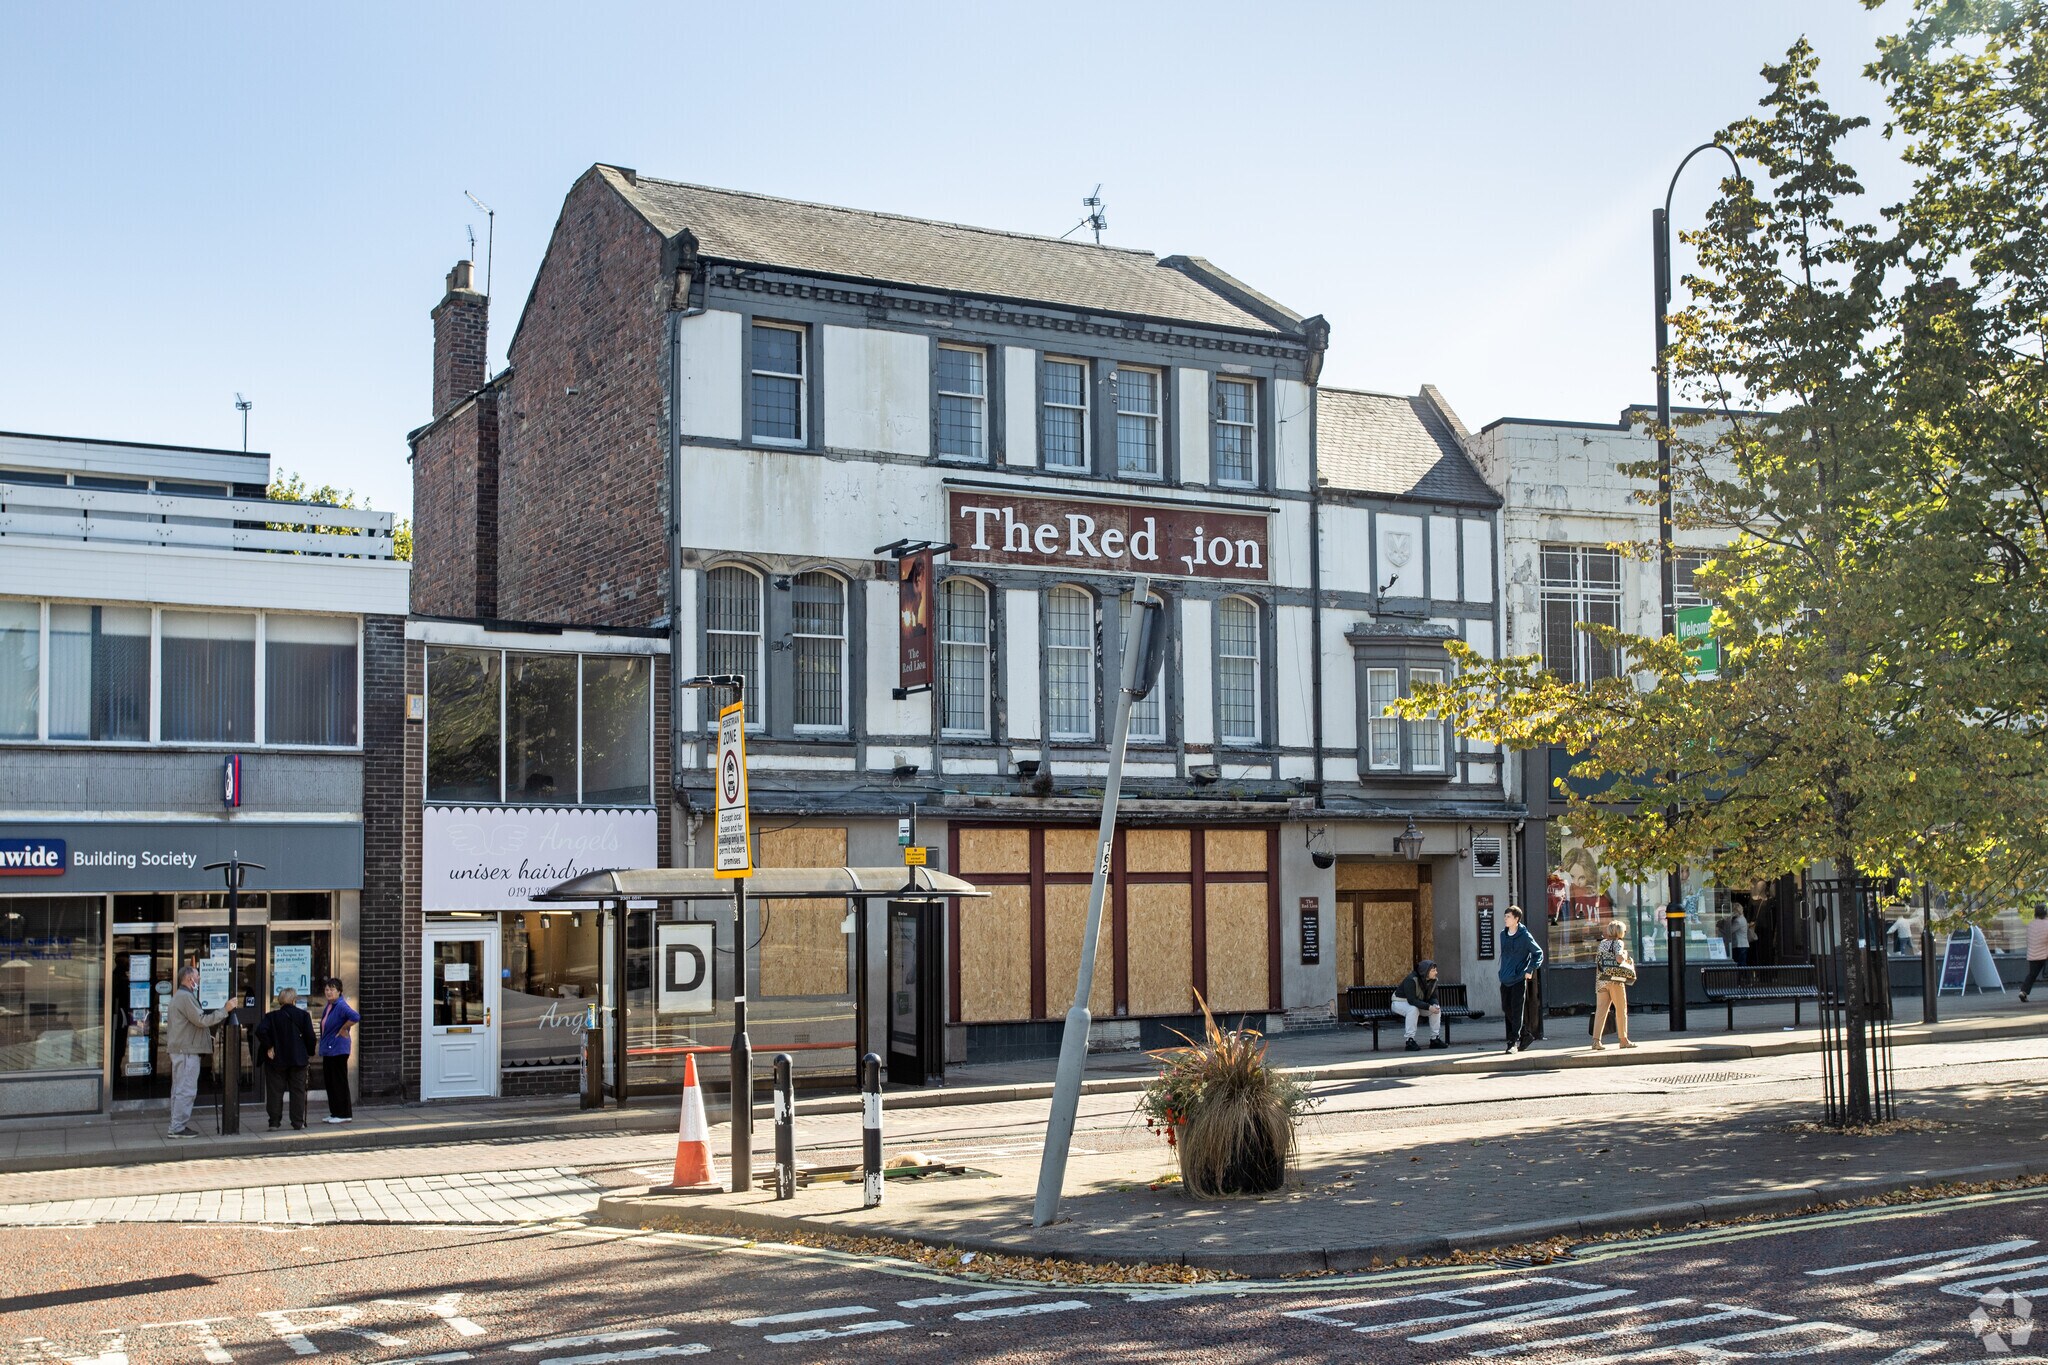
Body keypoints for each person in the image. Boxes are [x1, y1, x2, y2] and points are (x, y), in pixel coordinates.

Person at [165, 965, 230, 1138]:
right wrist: (225, 1010)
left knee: (179, 1089)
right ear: (189, 979)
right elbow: (201, 1020)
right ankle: (177, 1127)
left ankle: (175, 1125)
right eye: (197, 976)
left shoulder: (181, 996)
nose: (199, 979)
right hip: (186, 1050)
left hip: (182, 1049)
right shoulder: (185, 997)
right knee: (186, 1090)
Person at [256, 987, 319, 1131]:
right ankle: (297, 1122)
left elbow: (260, 1031)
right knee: (298, 1091)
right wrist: (308, 1052)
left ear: (280, 1001)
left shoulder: (271, 1016)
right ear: (294, 1000)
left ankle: (274, 1122)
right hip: (298, 1059)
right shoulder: (303, 1016)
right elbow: (310, 1037)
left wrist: (269, 1046)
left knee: (274, 1091)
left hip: (276, 1060)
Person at [1498, 904, 1545, 1054]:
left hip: (1518, 978)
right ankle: (1525, 1035)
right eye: (1505, 916)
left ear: (1516, 919)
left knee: (1517, 1010)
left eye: (1508, 917)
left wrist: (1529, 969)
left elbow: (1538, 953)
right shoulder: (1502, 935)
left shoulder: (1524, 936)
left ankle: (1513, 1043)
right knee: (1506, 1008)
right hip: (1505, 978)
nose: (1505, 919)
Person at [318, 977, 359, 1123]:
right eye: (327, 989)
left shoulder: (340, 1005)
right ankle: (335, 1112)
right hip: (329, 1049)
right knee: (330, 1082)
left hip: (338, 1049)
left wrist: (343, 1028)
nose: (328, 992)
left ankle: (344, 1113)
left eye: (332, 989)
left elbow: (355, 1016)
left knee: (338, 1081)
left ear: (339, 991)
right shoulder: (330, 1005)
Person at [1592, 920, 1638, 1050]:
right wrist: (1624, 954)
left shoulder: (1602, 943)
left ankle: (1596, 1041)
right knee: (1621, 1010)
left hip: (1601, 980)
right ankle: (1623, 1040)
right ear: (1619, 932)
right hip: (1615, 980)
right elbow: (1619, 959)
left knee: (1601, 1011)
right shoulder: (1619, 942)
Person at [1392, 959, 1446, 1051]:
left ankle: (1435, 1039)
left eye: (1435, 970)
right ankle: (1410, 1040)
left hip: (1417, 1003)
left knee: (1436, 1009)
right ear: (1425, 971)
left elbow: (1433, 997)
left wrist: (1435, 1005)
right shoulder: (1411, 979)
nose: (1436, 972)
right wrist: (1429, 1007)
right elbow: (1412, 1000)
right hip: (1399, 1002)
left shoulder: (1433, 981)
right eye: (1433, 970)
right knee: (1412, 1009)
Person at [2021, 906, 2048, 1003]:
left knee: (2032, 975)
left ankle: (2023, 992)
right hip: (2045, 954)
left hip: (2033, 954)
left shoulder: (2030, 925)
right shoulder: (2047, 924)